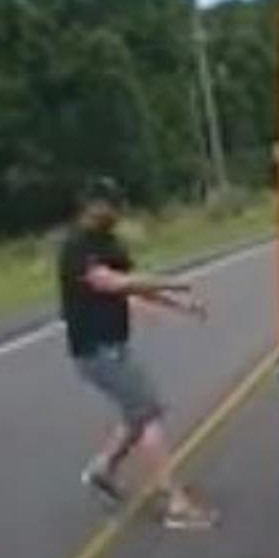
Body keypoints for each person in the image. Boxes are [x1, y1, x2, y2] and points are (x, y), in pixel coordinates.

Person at [58, 177, 219, 529]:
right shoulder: (76, 246)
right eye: (112, 205)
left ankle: (102, 470)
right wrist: (172, 282)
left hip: (114, 346)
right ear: (92, 206)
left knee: (138, 414)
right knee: (148, 415)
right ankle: (175, 502)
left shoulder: (109, 243)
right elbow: (110, 283)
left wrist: (179, 304)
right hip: (94, 350)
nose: (118, 211)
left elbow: (134, 286)